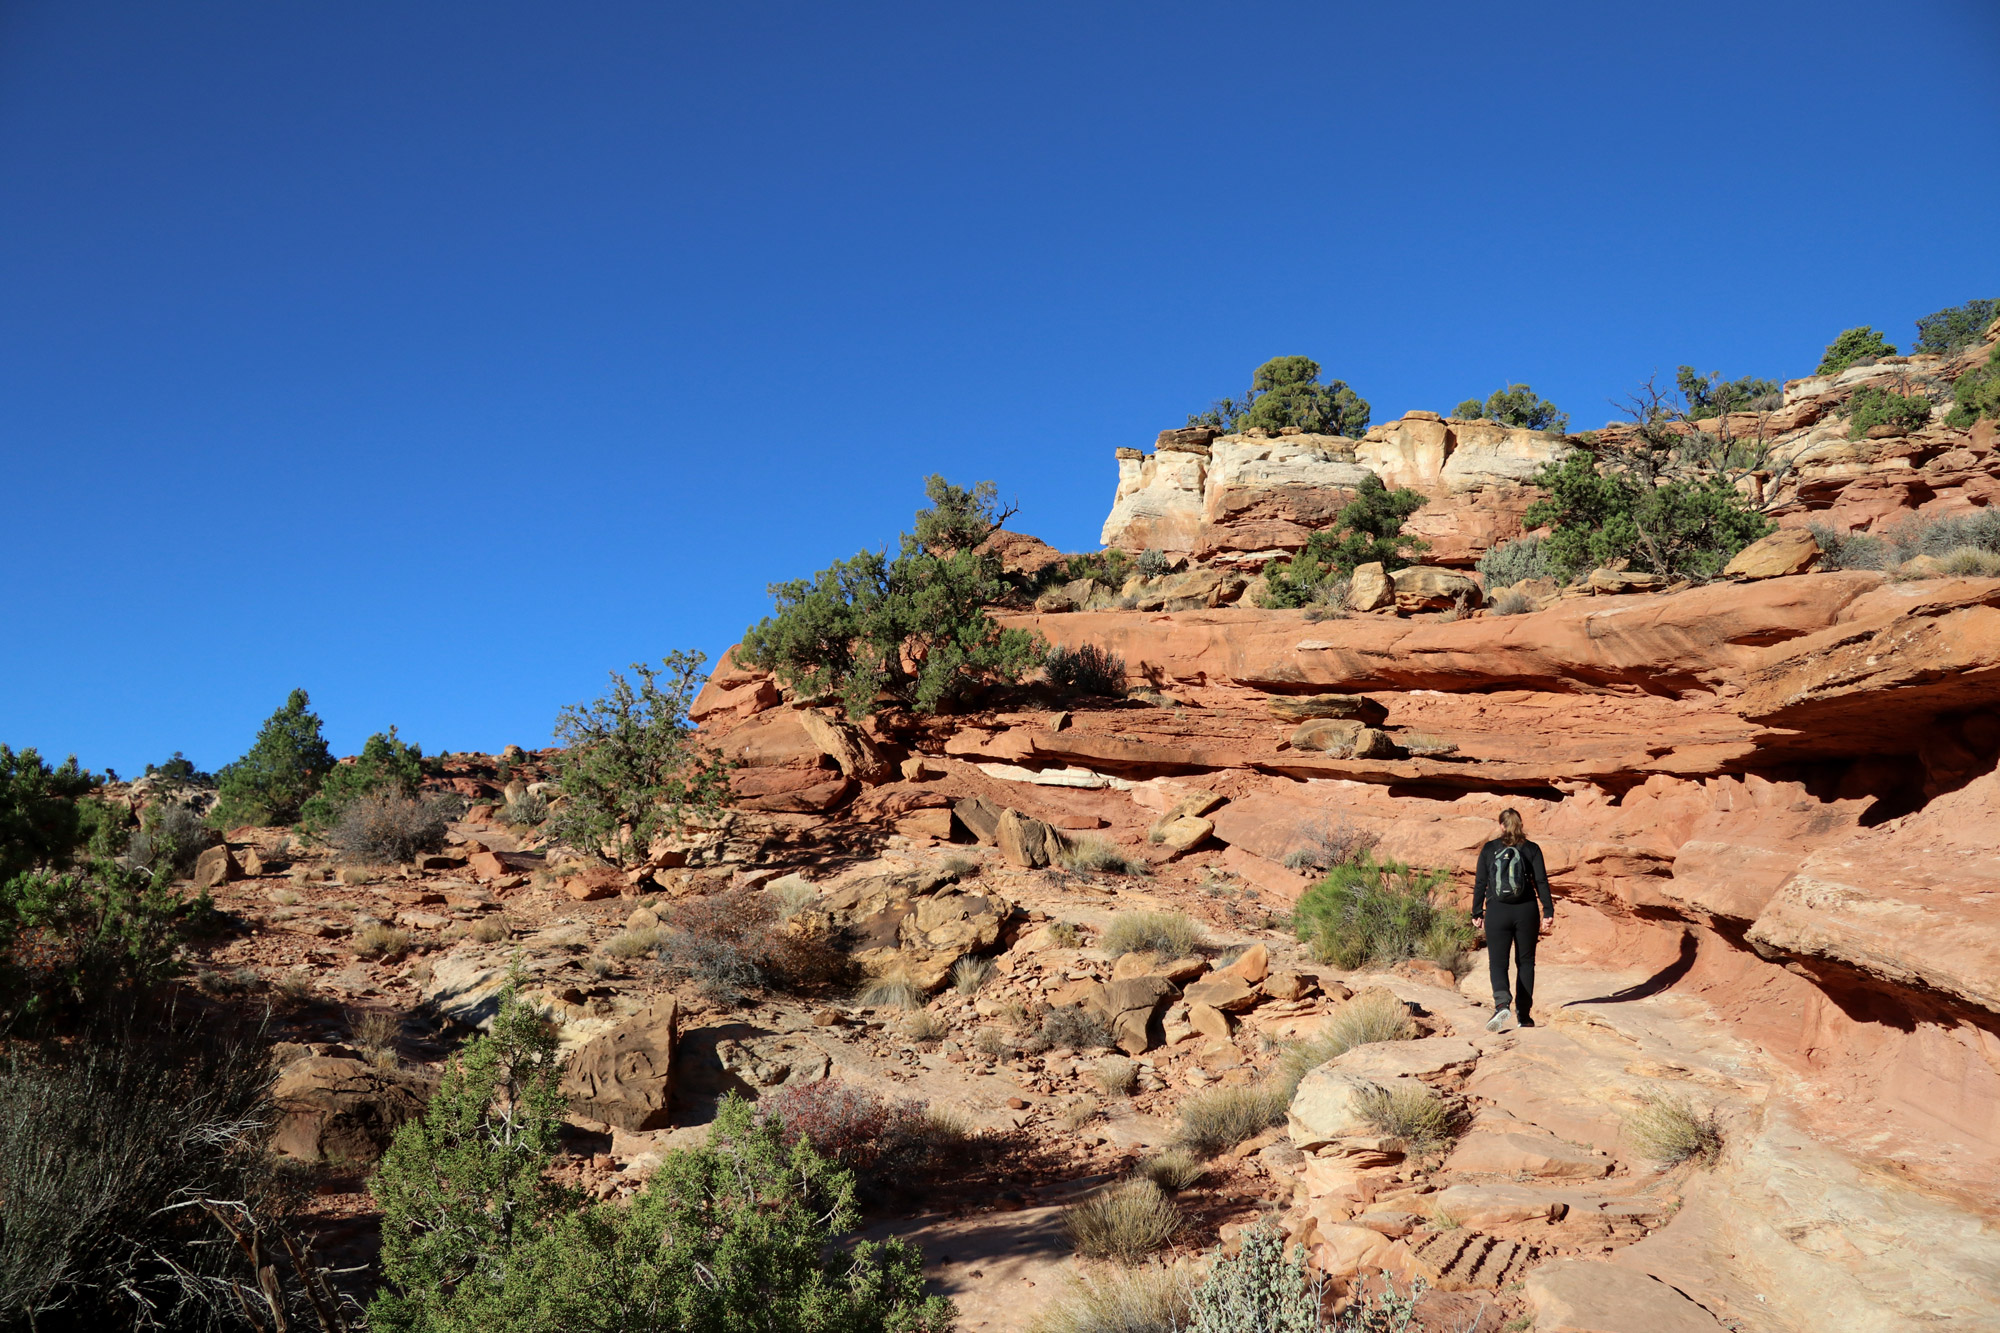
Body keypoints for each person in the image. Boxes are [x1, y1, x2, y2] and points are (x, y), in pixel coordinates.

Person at [1470, 807, 1554, 1031]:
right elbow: (1541, 882)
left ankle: (1501, 1004)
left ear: (1501, 826)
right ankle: (1524, 1016)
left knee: (1498, 962)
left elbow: (1480, 883)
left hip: (1497, 911)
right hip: (1526, 911)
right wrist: (1548, 911)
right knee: (1525, 962)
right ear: (1521, 825)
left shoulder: (1489, 849)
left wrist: (1476, 912)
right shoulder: (1532, 849)